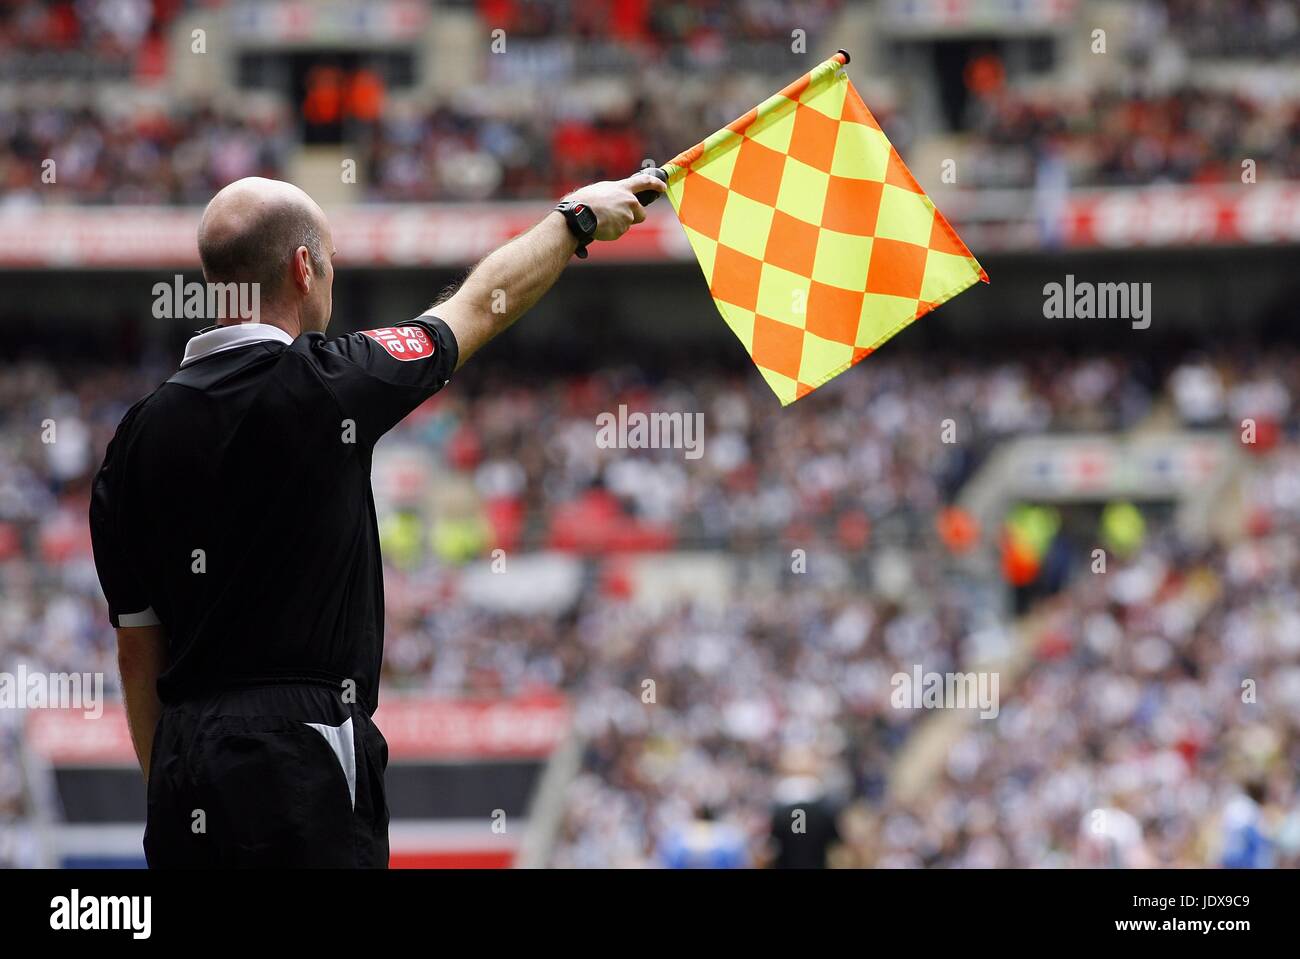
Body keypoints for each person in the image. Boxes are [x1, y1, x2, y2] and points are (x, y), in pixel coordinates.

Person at [89, 171, 664, 867]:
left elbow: (137, 651)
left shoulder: (131, 441)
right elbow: (479, 306)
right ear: (304, 267)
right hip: (305, 747)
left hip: (185, 757)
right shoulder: (330, 383)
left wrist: (170, 784)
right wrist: (574, 220)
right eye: (330, 262)